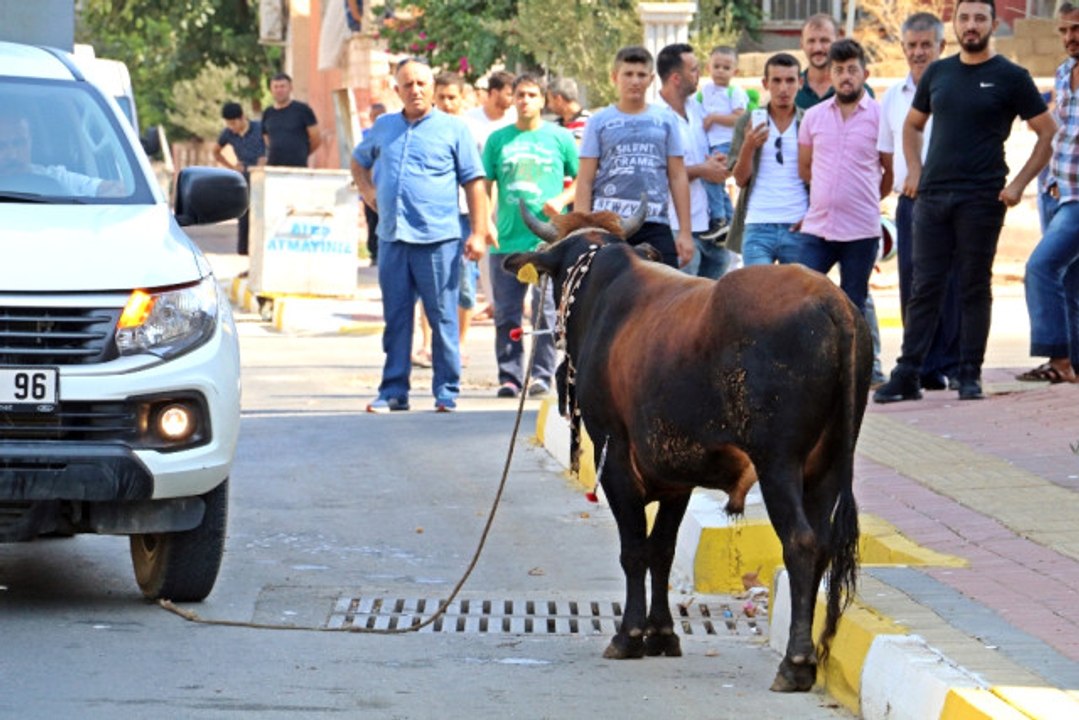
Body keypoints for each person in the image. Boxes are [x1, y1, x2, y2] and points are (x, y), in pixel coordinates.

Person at [874, 0, 1056, 403]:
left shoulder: (1011, 76)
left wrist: (1019, 184)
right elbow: (912, 125)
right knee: (924, 287)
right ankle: (908, 373)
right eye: (964, 18)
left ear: (992, 24)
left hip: (982, 197)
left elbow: (1047, 132)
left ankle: (968, 374)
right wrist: (916, 172)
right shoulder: (939, 72)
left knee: (974, 287)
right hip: (933, 198)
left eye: (979, 18)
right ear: (953, 24)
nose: (971, 26)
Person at [351, 59, 489, 413]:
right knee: (396, 318)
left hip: (438, 241)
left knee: (442, 317)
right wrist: (368, 192)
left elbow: (474, 182)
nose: (415, 90)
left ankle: (446, 391)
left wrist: (477, 232)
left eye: (421, 84)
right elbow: (358, 160)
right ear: (397, 90)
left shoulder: (454, 129)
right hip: (393, 238)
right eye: (408, 85)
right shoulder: (383, 127)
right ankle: (394, 391)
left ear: (431, 87)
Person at [877, 12, 959, 391]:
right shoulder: (893, 97)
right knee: (913, 284)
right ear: (903, 49)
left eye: (927, 44)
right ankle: (919, 364)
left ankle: (951, 363)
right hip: (910, 202)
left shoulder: (958, 88)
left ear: (941, 46)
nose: (919, 52)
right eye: (912, 45)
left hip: (953, 199)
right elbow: (885, 156)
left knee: (953, 283)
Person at [484, 73, 578, 399]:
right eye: (519, 95)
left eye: (531, 95)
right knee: (506, 314)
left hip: (548, 243)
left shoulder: (560, 138)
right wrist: (485, 222)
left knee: (545, 312)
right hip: (506, 243)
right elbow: (483, 186)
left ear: (543, 100)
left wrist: (563, 201)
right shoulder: (498, 140)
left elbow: (583, 179)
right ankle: (509, 378)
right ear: (512, 99)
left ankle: (540, 377)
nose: (525, 101)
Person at [575, 45, 694, 268]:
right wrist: (582, 230)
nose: (635, 81)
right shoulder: (598, 122)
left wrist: (685, 233)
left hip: (654, 223)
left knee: (666, 295)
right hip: (607, 225)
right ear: (614, 77)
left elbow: (678, 176)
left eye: (641, 75)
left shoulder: (666, 120)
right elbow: (585, 180)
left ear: (651, 79)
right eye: (628, 74)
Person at [797, 39, 891, 315]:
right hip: (818, 229)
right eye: (839, 70)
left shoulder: (880, 116)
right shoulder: (813, 117)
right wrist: (828, 194)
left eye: (852, 69)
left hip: (861, 231)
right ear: (830, 76)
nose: (845, 76)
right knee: (802, 299)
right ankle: (811, 360)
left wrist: (866, 197)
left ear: (865, 74)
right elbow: (804, 168)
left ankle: (856, 360)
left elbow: (890, 171)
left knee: (853, 306)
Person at [1017, 2, 1079, 384]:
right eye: (1064, 31)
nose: (1070, 38)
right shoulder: (1062, 72)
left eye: (1076, 29)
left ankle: (1057, 358)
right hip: (1056, 190)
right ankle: (1073, 363)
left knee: (1040, 268)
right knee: (1069, 280)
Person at [655, 43, 732, 279]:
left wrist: (717, 162)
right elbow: (657, 174)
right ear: (676, 78)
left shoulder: (697, 108)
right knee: (681, 308)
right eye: (694, 70)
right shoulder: (654, 117)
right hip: (676, 227)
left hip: (712, 227)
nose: (700, 75)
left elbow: (705, 154)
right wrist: (702, 170)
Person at [727, 53, 810, 267]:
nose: (783, 88)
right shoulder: (749, 121)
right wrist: (749, 144)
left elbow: (822, 174)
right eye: (777, 80)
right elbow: (739, 179)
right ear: (766, 83)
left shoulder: (809, 121)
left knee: (797, 298)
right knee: (757, 297)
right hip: (757, 223)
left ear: (800, 83)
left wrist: (812, 215)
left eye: (790, 80)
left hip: (797, 224)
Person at [464, 70, 516, 322]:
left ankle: (516, 299)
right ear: (493, 93)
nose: (513, 99)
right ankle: (494, 301)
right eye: (508, 94)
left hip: (511, 191)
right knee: (486, 245)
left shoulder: (515, 119)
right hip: (481, 190)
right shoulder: (470, 122)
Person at [0, 109, 123, 197]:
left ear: (30, 141)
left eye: (19, 143)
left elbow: (118, 189)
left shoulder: (56, 178)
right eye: (2, 145)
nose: (12, 155)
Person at [694, 45, 748, 243]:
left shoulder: (734, 92)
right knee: (716, 182)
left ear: (735, 71)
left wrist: (715, 118)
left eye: (726, 67)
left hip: (727, 144)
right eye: (716, 66)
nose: (720, 71)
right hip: (710, 144)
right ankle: (730, 223)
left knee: (711, 178)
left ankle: (718, 219)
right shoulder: (705, 90)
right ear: (709, 67)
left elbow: (739, 117)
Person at [212, 102, 266, 255]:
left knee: (261, 214)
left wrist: (266, 158)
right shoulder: (228, 134)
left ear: (242, 118)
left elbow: (271, 144)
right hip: (244, 178)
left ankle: (261, 250)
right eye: (228, 123)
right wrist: (232, 167)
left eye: (234, 123)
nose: (232, 127)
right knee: (244, 216)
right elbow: (216, 152)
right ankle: (244, 252)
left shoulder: (260, 128)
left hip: (262, 177)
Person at [262, 73, 321, 167]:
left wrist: (303, 153)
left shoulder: (303, 110)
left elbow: (316, 138)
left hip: (298, 167)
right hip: (273, 167)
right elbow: (266, 138)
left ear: (290, 88)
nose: (279, 90)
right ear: (271, 90)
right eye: (275, 87)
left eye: (282, 86)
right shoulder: (267, 113)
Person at [361, 102, 386, 267]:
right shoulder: (364, 136)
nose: (378, 119)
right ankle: (374, 253)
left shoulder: (392, 133)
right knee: (372, 222)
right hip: (370, 187)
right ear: (370, 118)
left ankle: (385, 253)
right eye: (375, 116)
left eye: (381, 115)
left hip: (386, 187)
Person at [546, 77, 592, 142]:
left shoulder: (589, 123)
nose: (548, 106)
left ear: (558, 99)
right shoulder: (554, 125)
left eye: (549, 100)